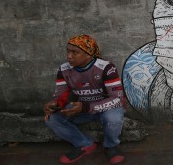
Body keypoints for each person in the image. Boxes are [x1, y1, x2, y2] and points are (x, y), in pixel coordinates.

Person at [44, 34, 125, 164]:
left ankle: (111, 146)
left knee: (113, 118)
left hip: (107, 107)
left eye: (75, 52)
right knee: (51, 118)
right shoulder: (64, 69)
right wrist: (55, 103)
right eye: (68, 51)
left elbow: (117, 99)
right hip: (82, 108)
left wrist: (86, 107)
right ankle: (84, 144)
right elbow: (61, 94)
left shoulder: (106, 68)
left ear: (88, 54)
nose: (69, 56)